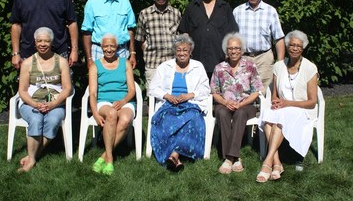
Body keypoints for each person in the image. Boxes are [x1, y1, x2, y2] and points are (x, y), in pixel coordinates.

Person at [256, 30, 318, 183]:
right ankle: (277, 164)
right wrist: (277, 102)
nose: (295, 48)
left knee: (281, 116)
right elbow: (275, 94)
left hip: (302, 109)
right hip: (283, 107)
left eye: (298, 46)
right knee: (268, 116)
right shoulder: (278, 66)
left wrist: (287, 103)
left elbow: (312, 101)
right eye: (292, 45)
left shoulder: (310, 68)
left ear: (303, 48)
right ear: (287, 46)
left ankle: (268, 162)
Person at [149, 34, 211, 172]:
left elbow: (206, 89)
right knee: (164, 119)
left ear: (190, 52)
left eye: (185, 50)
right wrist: (167, 96)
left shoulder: (198, 66)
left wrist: (191, 95)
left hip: (191, 104)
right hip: (169, 104)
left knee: (193, 119)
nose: (182, 53)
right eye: (179, 50)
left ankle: (174, 155)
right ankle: (176, 155)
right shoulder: (165, 66)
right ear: (174, 51)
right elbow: (152, 88)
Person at [17, 27, 72, 172]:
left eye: (46, 41)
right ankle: (32, 159)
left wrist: (54, 104)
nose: (43, 44)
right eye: (39, 41)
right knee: (35, 120)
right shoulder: (28, 63)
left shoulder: (61, 62)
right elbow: (22, 90)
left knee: (53, 120)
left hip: (55, 103)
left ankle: (32, 156)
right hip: (31, 103)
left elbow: (67, 88)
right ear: (35, 43)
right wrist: (34, 104)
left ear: (51, 42)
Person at [10, 0, 78, 69]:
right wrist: (16, 53)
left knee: (63, 86)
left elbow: (72, 22)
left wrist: (74, 50)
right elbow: (16, 25)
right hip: (29, 54)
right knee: (30, 87)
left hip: (58, 52)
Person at [210, 33, 264, 174]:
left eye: (237, 48)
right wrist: (225, 102)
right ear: (226, 50)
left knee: (240, 113)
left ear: (242, 50)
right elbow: (214, 91)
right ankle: (236, 157)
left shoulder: (250, 66)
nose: (233, 51)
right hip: (224, 103)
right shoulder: (219, 68)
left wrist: (241, 104)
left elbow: (256, 91)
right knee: (221, 112)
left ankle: (229, 158)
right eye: (230, 48)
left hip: (246, 105)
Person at [88, 33, 136, 175]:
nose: (109, 49)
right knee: (111, 113)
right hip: (104, 101)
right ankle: (110, 160)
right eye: (106, 46)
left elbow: (132, 89)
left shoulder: (125, 63)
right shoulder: (95, 66)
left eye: (112, 46)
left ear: (117, 47)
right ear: (101, 47)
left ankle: (105, 155)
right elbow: (93, 93)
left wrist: (123, 101)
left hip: (124, 101)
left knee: (126, 119)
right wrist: (95, 114)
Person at [178, 0, 239, 79]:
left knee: (218, 95)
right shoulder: (192, 7)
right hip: (195, 63)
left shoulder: (225, 8)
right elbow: (184, 33)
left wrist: (229, 55)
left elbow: (233, 34)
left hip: (220, 62)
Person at [233, 0, 285, 91]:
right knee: (243, 91)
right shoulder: (237, 11)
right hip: (243, 58)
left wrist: (280, 63)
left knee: (264, 92)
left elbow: (279, 38)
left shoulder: (271, 11)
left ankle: (263, 108)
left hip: (264, 58)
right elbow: (231, 38)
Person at [82, 0, 137, 69]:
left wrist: (132, 53)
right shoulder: (92, 3)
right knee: (99, 82)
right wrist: (89, 58)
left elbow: (131, 29)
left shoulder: (125, 2)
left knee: (122, 82)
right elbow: (87, 32)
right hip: (99, 51)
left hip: (121, 51)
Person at [136, 0, 182, 86]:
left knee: (173, 93)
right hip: (153, 63)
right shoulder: (145, 13)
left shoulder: (176, 13)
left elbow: (180, 37)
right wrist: (148, 50)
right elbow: (140, 38)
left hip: (173, 63)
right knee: (153, 96)